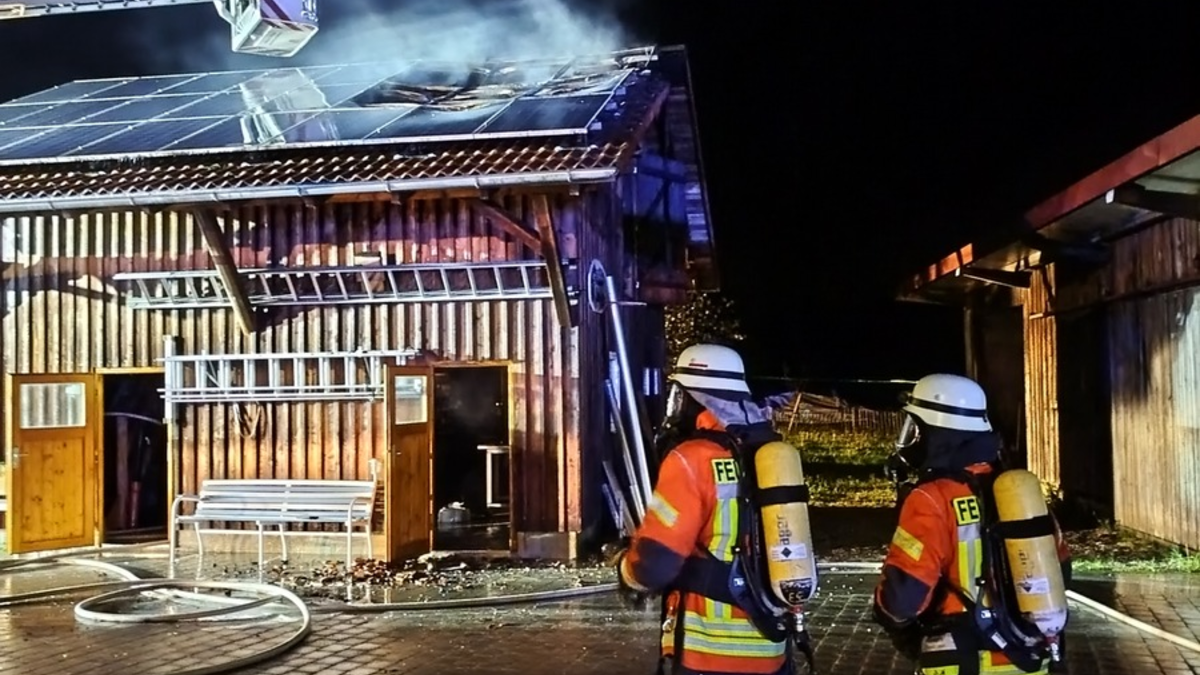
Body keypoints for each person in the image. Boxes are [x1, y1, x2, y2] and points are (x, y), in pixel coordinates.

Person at [873, 373, 1072, 675]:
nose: (912, 438)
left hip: (961, 658)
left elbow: (903, 597)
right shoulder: (1017, 491)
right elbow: (1061, 570)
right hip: (1028, 658)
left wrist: (888, 615)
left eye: (917, 428)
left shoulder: (931, 498)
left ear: (938, 431)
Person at [614, 343, 792, 675]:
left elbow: (656, 560)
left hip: (709, 652)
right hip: (772, 648)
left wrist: (627, 570)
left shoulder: (691, 458)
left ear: (689, 398)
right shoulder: (772, 453)